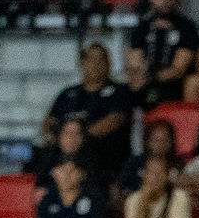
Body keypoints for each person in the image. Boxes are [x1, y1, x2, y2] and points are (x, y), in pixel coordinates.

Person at [45, 42, 134, 176]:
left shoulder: (120, 92)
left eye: (101, 59)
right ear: (82, 63)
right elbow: (49, 122)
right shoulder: (68, 94)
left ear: (109, 64)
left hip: (108, 162)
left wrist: (77, 138)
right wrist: (57, 137)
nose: (96, 64)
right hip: (66, 160)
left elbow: (115, 119)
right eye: (91, 59)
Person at [126, 0, 199, 106]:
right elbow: (134, 62)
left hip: (174, 85)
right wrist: (138, 76)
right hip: (145, 83)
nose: (165, 0)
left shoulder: (186, 27)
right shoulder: (142, 28)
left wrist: (152, 78)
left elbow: (178, 69)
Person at [117, 118, 180, 197]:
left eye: (165, 140)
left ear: (171, 142)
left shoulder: (177, 164)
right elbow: (121, 186)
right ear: (147, 141)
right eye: (156, 140)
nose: (161, 144)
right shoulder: (135, 162)